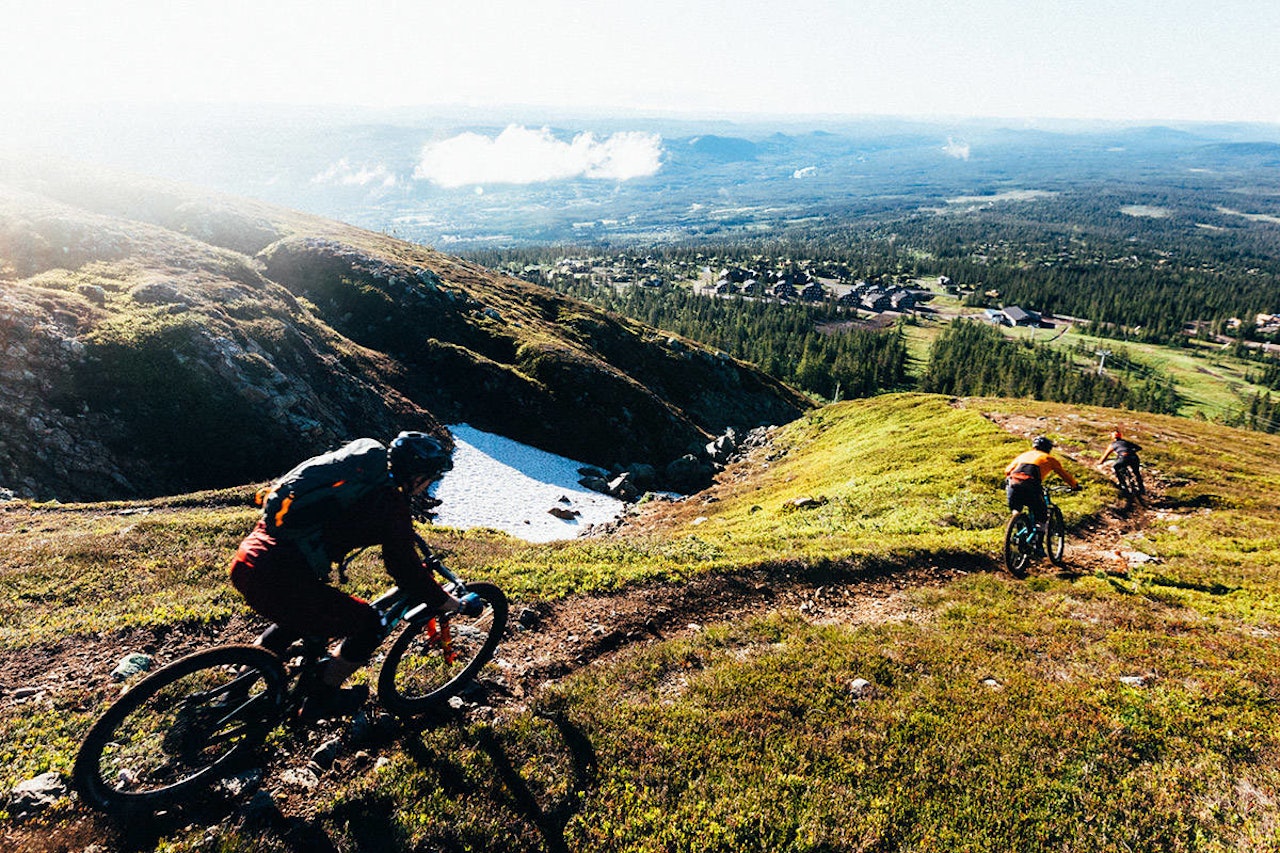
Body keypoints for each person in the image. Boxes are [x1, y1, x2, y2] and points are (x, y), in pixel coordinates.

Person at [230, 430, 476, 716]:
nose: (429, 485)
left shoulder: (358, 470)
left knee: (296, 619)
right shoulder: (388, 504)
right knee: (371, 624)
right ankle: (320, 698)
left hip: (250, 556)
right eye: (431, 479)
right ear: (418, 477)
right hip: (279, 576)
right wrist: (453, 603)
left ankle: (235, 693)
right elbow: (407, 571)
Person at [1004, 436, 1079, 554]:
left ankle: (1018, 526)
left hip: (1013, 484)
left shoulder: (1024, 455)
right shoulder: (1049, 458)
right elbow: (1064, 475)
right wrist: (1075, 485)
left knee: (1016, 509)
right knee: (1042, 515)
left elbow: (1007, 471)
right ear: (1048, 449)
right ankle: (1038, 546)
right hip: (1031, 486)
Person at [1097, 429, 1144, 495]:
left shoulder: (1112, 445)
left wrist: (1100, 462)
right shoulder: (1126, 442)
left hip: (1124, 458)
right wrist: (1131, 452)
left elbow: (1105, 455)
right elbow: (1139, 448)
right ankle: (1142, 488)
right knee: (1136, 472)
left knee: (1116, 467)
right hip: (1134, 457)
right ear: (1120, 436)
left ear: (1112, 437)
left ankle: (1123, 485)